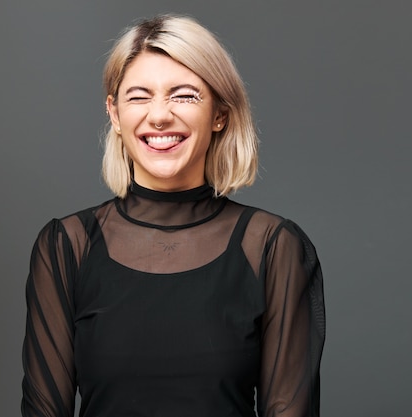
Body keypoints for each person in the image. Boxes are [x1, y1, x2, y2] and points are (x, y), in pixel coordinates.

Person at [21, 14, 325, 417]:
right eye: (138, 96)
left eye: (183, 95)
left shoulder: (273, 247)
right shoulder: (66, 246)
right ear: (114, 114)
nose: (160, 115)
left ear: (220, 114)